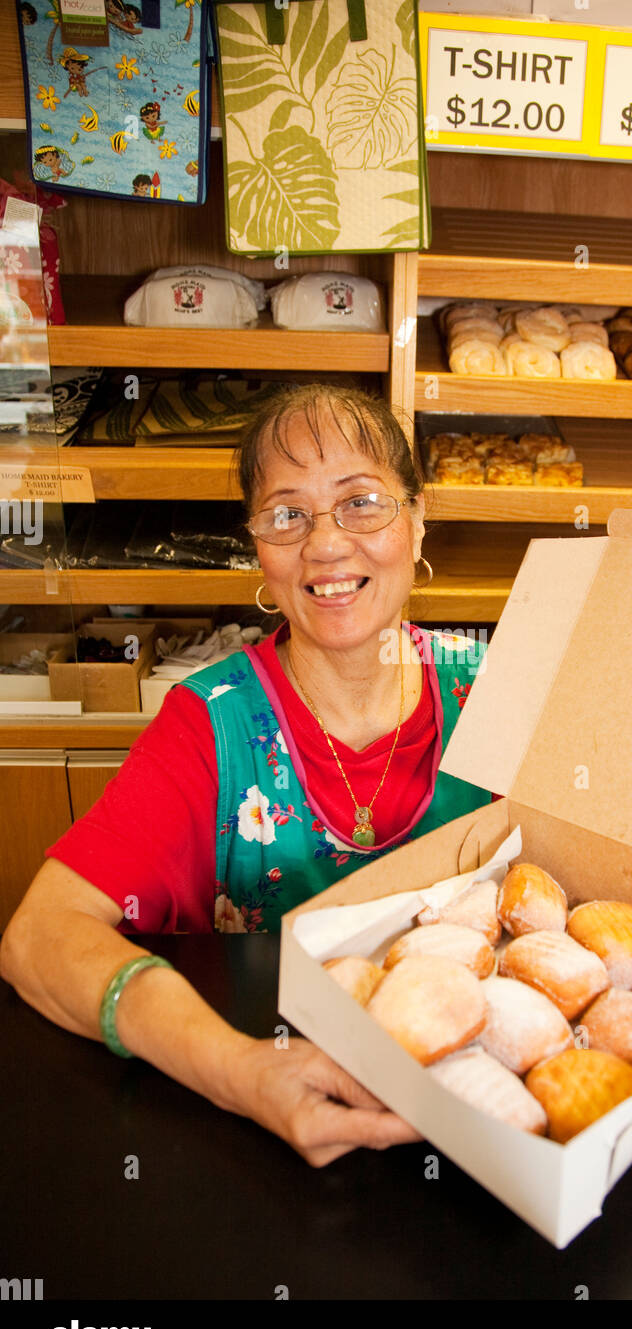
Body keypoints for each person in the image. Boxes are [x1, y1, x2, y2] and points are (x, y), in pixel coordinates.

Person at [0, 384, 491, 1168]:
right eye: (287, 514)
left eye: (362, 502)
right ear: (256, 544)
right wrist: (242, 1074)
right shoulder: (213, 724)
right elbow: (39, 937)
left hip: (487, 1123)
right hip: (267, 1144)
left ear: (418, 516)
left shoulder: (499, 692)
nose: (326, 545)